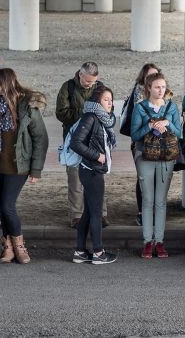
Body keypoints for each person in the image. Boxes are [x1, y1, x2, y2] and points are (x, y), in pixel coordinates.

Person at [0, 68, 49, 265]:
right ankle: (7, 248)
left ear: (5, 84)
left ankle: (19, 246)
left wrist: (36, 170)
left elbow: (40, 139)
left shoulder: (27, 106)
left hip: (19, 165)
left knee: (8, 206)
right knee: (2, 208)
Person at [130, 72, 182, 259]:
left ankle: (159, 241)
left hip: (166, 157)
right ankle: (146, 242)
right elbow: (134, 135)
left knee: (161, 201)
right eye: (157, 87)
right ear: (148, 89)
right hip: (145, 156)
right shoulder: (140, 108)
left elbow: (179, 133)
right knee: (148, 200)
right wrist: (151, 126)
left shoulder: (172, 107)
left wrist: (167, 123)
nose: (161, 90)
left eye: (163, 87)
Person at [69, 86, 119, 265]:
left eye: (111, 100)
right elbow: (76, 143)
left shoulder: (102, 119)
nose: (110, 103)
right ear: (97, 101)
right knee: (96, 213)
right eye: (106, 100)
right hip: (91, 171)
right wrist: (97, 156)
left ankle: (80, 251)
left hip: (94, 170)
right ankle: (98, 252)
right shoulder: (90, 117)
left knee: (89, 213)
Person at [56, 62, 104, 229]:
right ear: (80, 75)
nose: (90, 84)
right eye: (87, 81)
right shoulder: (67, 87)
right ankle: (77, 215)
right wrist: (86, 114)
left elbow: (107, 111)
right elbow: (61, 113)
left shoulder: (100, 88)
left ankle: (100, 213)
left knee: (97, 178)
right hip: (73, 140)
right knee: (75, 179)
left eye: (93, 82)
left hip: (95, 141)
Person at [123, 63, 160, 227]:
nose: (154, 78)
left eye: (156, 75)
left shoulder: (162, 91)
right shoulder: (140, 91)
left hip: (159, 141)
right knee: (144, 177)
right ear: (144, 78)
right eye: (150, 76)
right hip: (141, 141)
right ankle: (142, 212)